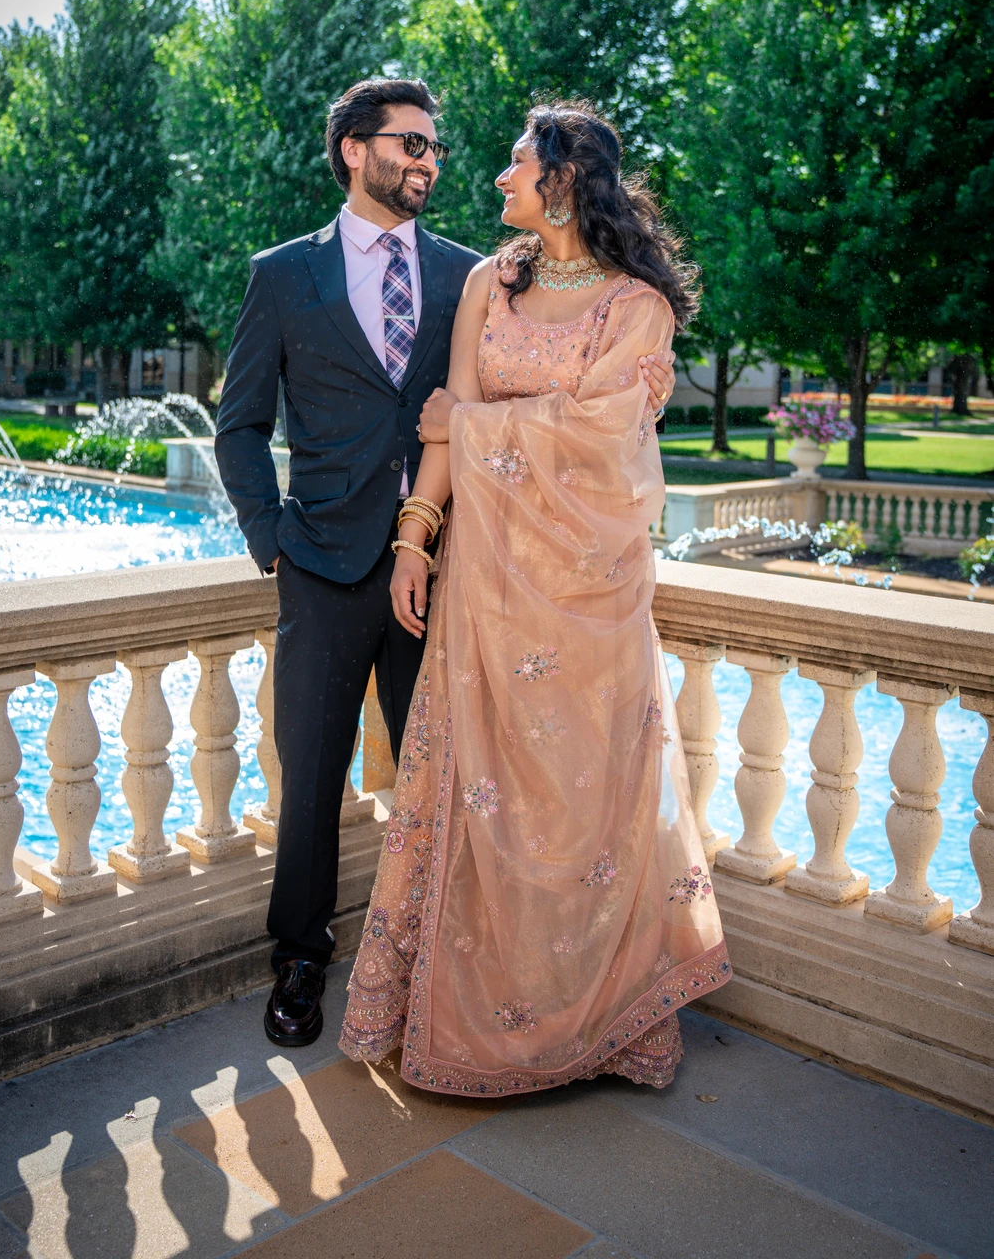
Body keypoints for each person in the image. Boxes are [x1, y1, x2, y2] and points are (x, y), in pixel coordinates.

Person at [215, 79, 677, 1050]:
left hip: (455, 575)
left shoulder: (478, 274)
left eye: (436, 147)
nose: (430, 161)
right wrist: (271, 539)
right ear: (355, 149)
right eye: (411, 144)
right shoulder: (282, 275)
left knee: (455, 784)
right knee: (310, 779)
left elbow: (479, 414)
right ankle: (298, 961)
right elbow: (240, 423)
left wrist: (422, 535)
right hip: (323, 566)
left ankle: (442, 965)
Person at [339, 100, 730, 1094]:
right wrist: (415, 534)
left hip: (586, 592)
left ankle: (598, 1023)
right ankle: (472, 1024)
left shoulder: (634, 306)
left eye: (516, 162)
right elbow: (446, 425)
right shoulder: (490, 281)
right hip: (482, 579)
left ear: (561, 179)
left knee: (583, 803)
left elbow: (603, 440)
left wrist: (472, 424)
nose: (499, 177)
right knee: (482, 795)